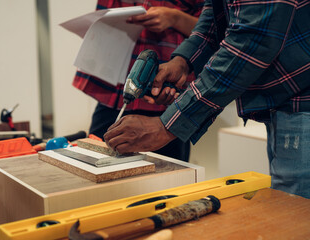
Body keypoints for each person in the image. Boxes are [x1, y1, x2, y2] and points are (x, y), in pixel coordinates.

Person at [104, 0, 310, 199]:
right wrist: (183, 61)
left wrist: (167, 126)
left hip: (302, 98)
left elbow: (253, 40)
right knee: (287, 201)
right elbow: (216, 17)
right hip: (285, 102)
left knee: (294, 211)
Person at [73, 0, 204, 162]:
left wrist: (175, 18)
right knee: (96, 165)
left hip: (166, 98)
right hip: (114, 92)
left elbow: (213, 31)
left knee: (166, 177)